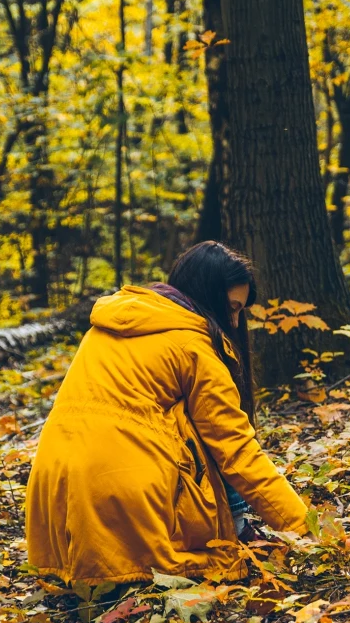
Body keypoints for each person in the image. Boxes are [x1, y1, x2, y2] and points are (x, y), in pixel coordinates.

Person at [24, 242, 310, 583]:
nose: (234, 322)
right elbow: (237, 450)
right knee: (208, 431)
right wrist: (305, 529)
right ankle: (236, 525)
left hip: (51, 495)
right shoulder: (194, 346)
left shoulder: (109, 324)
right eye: (232, 308)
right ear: (209, 294)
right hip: (122, 495)